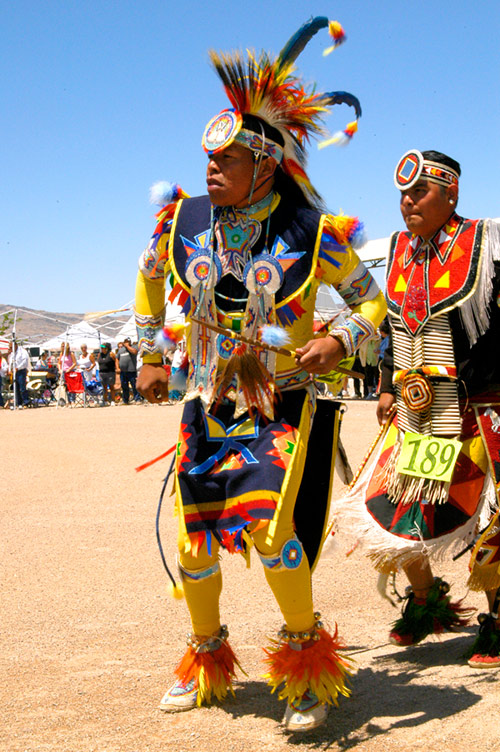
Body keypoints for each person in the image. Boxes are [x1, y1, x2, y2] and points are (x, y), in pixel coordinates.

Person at [135, 17, 386, 731]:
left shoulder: (312, 233)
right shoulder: (183, 223)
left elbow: (372, 302)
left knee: (273, 532)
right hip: (208, 398)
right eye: (208, 160)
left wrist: (339, 341)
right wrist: (153, 352)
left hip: (281, 403)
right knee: (195, 540)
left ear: (266, 164)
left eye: (229, 160)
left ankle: (305, 665)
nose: (212, 170)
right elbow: (149, 283)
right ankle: (206, 655)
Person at [333, 149, 500, 667]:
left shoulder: (485, 243)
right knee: (396, 507)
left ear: (451, 194)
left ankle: (498, 617)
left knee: (493, 516)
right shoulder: (402, 249)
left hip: (481, 404)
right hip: (417, 411)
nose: (407, 203)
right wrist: (385, 383)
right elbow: (393, 325)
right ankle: (427, 600)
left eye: (419, 192)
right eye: (402, 195)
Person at [115, 338, 139, 404]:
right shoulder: (121, 350)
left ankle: (137, 399)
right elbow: (117, 359)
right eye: (125, 342)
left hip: (131, 370)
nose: (127, 343)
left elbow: (134, 352)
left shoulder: (133, 347)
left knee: (134, 385)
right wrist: (117, 367)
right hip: (123, 371)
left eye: (128, 342)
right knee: (124, 386)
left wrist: (128, 346)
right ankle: (125, 400)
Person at [8, 342, 30, 407]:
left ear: (16, 345)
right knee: (16, 388)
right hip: (14, 372)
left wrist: (18, 368)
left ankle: (26, 402)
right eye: (10, 347)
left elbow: (25, 362)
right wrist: (10, 370)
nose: (10, 349)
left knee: (22, 387)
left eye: (11, 347)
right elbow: (10, 362)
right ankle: (19, 403)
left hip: (21, 371)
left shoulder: (22, 352)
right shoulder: (12, 354)